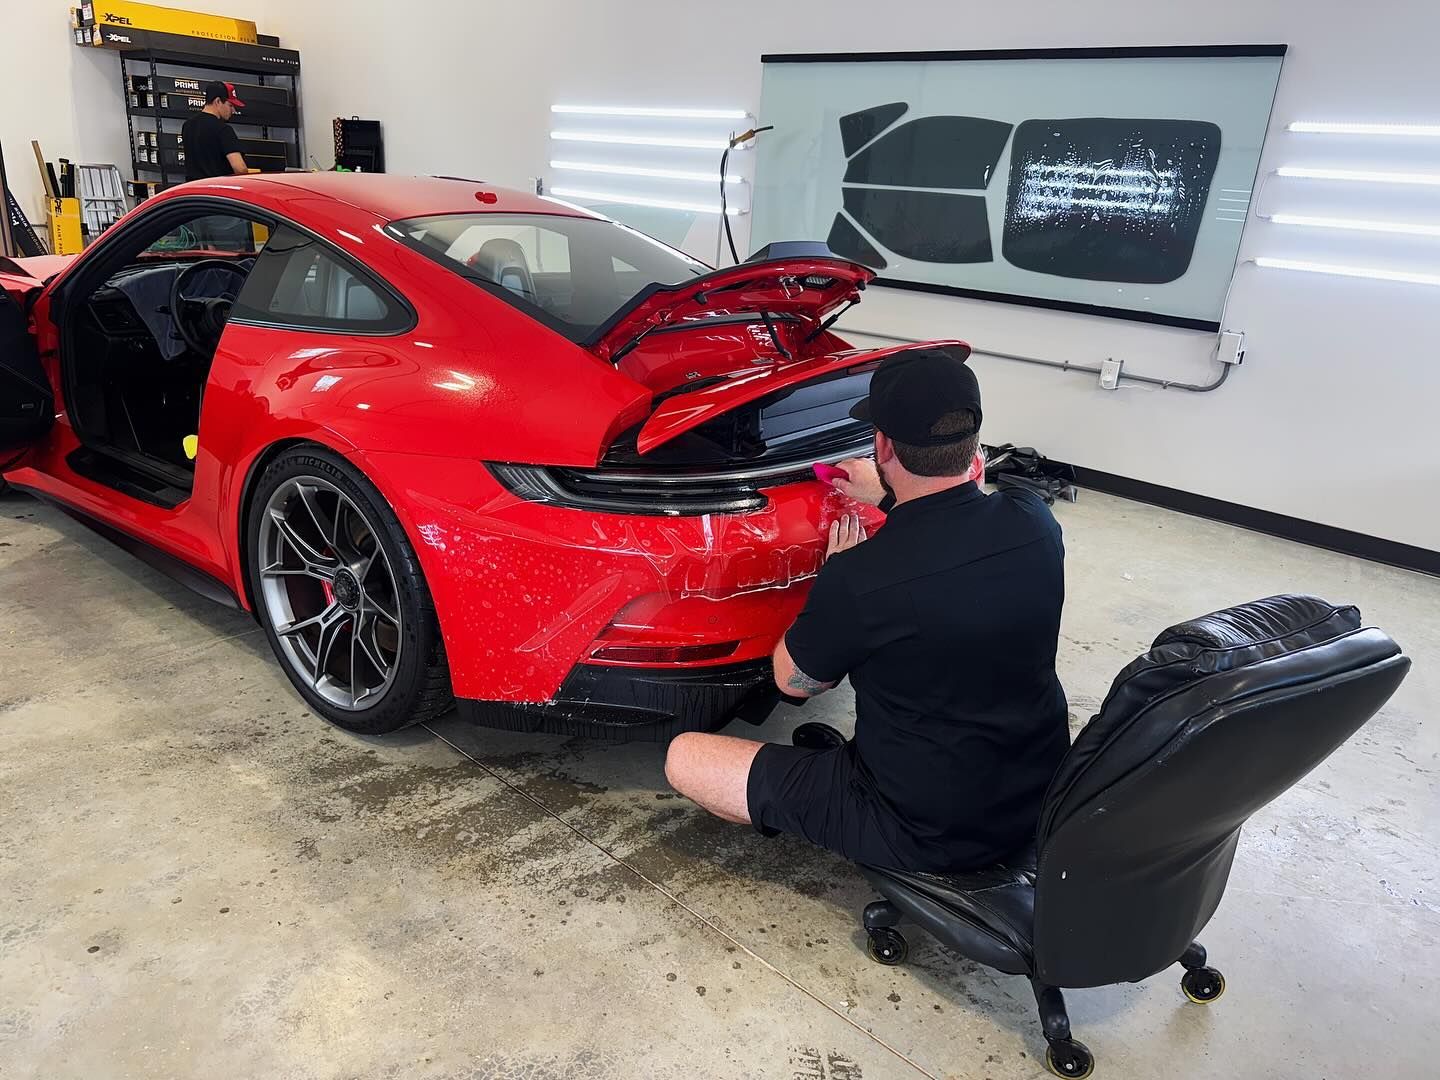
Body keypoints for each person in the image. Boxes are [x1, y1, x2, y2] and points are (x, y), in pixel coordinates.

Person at [664, 347, 1071, 873]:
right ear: (973, 444)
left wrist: (830, 579)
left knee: (686, 758)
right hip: (1037, 794)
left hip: (922, 826)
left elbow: (795, 683)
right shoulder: (1033, 520)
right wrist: (887, 498)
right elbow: (953, 526)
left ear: (882, 445)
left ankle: (830, 809)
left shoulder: (861, 577)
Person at [181, 82, 250, 181]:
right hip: (217, 192)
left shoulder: (187, 126)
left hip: (193, 192)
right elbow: (240, 169)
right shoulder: (223, 129)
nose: (233, 110)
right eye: (230, 105)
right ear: (217, 101)